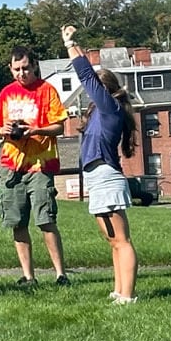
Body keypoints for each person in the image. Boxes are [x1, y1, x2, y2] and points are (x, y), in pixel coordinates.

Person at [62, 25, 140, 304]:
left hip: (107, 176)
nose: (88, 92)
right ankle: (119, 291)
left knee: (122, 240)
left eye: (94, 87)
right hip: (96, 177)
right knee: (112, 242)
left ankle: (128, 296)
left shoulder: (110, 108)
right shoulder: (100, 112)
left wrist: (70, 45)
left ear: (103, 90)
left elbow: (85, 75)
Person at [0, 46, 70, 286]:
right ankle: (28, 275)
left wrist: (35, 130)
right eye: (16, 69)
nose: (21, 73)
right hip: (12, 164)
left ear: (34, 65)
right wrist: (2, 131)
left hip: (40, 164)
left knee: (45, 219)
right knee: (17, 222)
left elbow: (60, 126)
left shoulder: (47, 91)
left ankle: (60, 274)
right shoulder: (6, 93)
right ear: (10, 69)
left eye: (25, 68)